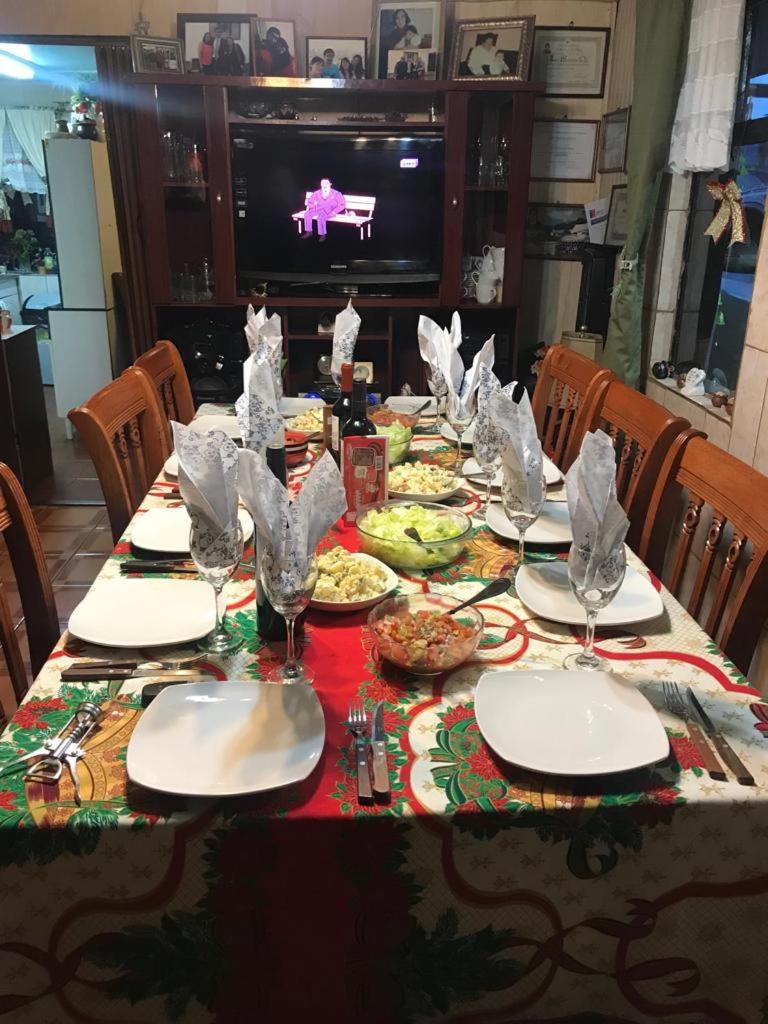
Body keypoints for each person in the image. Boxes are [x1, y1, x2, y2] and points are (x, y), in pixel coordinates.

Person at [301, 178, 345, 242]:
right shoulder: (317, 193)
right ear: (320, 184)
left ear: (330, 184)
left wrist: (334, 212)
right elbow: (309, 202)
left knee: (321, 217)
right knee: (307, 214)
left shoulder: (336, 193)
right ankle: (309, 232)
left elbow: (342, 205)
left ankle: (322, 235)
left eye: (326, 183)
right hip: (318, 209)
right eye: (322, 183)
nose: (324, 185)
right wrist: (313, 205)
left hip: (330, 211)